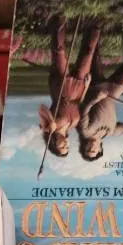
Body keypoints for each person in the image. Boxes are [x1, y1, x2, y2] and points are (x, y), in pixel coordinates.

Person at [77, 27, 123, 161]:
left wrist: (96, 98)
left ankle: (93, 26)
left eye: (88, 149)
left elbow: (84, 110)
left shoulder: (85, 132)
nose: (92, 148)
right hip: (113, 92)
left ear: (84, 147)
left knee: (94, 55)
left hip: (95, 88)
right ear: (100, 149)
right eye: (94, 151)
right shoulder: (109, 132)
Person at [40, 15, 101, 157]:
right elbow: (78, 104)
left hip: (61, 88)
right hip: (79, 89)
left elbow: (41, 108)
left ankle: (59, 19)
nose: (66, 144)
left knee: (59, 52)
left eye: (62, 147)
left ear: (54, 144)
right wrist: (86, 87)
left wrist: (51, 122)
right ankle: (95, 22)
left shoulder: (48, 128)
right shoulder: (72, 126)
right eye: (67, 147)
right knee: (88, 54)